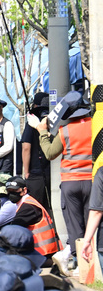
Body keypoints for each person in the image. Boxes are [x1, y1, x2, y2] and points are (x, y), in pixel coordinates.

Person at [40, 90, 94, 267]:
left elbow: (49, 153)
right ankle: (94, 263)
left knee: (74, 225)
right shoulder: (96, 125)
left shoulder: (64, 131)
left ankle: (79, 263)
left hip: (70, 183)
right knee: (92, 223)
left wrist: (42, 133)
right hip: (93, 183)